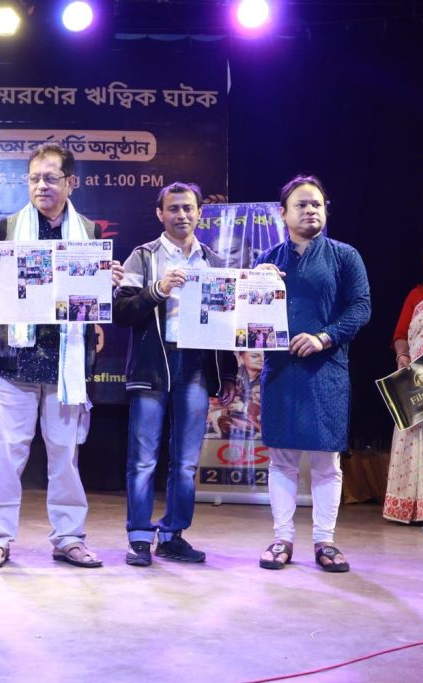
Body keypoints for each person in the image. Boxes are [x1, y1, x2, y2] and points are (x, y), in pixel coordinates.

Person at [0, 143, 123, 569]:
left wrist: (108, 284)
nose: (42, 185)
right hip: (15, 361)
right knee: (7, 455)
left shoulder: (89, 233)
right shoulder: (9, 228)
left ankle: (69, 538)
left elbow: (93, 301)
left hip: (66, 365)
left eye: (51, 178)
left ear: (71, 183)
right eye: (35, 178)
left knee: (65, 457)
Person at [114, 182, 237, 567]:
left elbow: (227, 323)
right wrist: (158, 289)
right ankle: (139, 537)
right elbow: (120, 312)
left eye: (188, 208)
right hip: (153, 366)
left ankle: (172, 535)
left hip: (196, 366)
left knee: (185, 462)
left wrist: (228, 373)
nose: (181, 215)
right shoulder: (143, 256)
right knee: (143, 460)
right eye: (173, 208)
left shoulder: (214, 261)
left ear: (199, 212)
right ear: (160, 213)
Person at [254, 175, 370, 573]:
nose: (310, 211)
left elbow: (361, 308)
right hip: (281, 370)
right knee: (282, 459)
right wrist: (259, 285)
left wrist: (324, 337)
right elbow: (250, 316)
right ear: (283, 213)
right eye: (301, 204)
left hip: (326, 370)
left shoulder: (344, 256)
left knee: (326, 462)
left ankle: (325, 541)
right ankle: (281, 539)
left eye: (316, 204)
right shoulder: (268, 260)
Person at [384, 246, 423, 523]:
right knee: (413, 432)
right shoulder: (416, 295)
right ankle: (413, 506)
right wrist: (402, 356)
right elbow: (400, 335)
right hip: (419, 376)